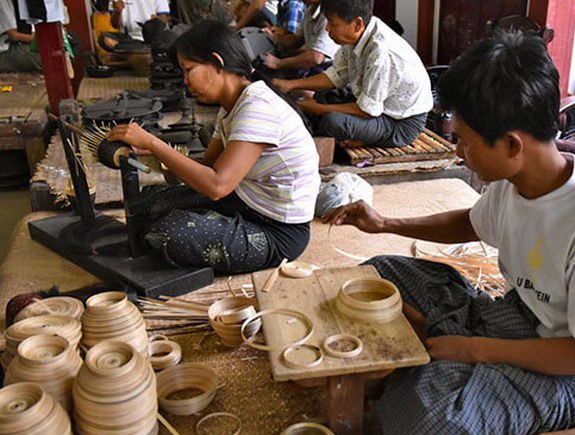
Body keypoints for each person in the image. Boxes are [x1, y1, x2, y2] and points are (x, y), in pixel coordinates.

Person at [322, 30, 575, 435]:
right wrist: (385, 224)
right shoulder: (515, 180)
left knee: (430, 426)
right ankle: (437, 364)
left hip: (571, 369)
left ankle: (437, 367)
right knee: (378, 275)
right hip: (513, 316)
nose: (459, 152)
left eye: (466, 141)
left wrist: (474, 351)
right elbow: (472, 222)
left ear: (512, 144)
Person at [108, 20, 320, 274]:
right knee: (147, 202)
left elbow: (217, 186)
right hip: (246, 202)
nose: (185, 81)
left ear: (217, 63)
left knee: (165, 233)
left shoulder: (258, 108)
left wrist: (154, 143)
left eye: (189, 70)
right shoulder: (232, 105)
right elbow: (206, 168)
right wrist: (155, 151)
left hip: (279, 232)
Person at [273, 0, 432, 148]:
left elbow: (367, 110)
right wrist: (291, 85)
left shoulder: (381, 52)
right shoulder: (357, 35)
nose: (327, 29)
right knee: (325, 96)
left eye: (333, 24)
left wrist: (318, 109)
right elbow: (336, 76)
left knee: (333, 121)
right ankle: (360, 134)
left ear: (357, 24)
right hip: (378, 107)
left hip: (400, 123)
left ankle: (365, 138)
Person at [262, 0, 338, 75]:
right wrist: (274, 38)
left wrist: (278, 63)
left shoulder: (328, 14)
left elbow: (316, 58)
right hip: (313, 68)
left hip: (327, 72)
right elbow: (296, 39)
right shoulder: (311, 9)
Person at [0, 0, 42, 73]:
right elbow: (14, 35)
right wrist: (44, 39)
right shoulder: (4, 2)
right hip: (8, 49)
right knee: (47, 59)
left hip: (28, 44)